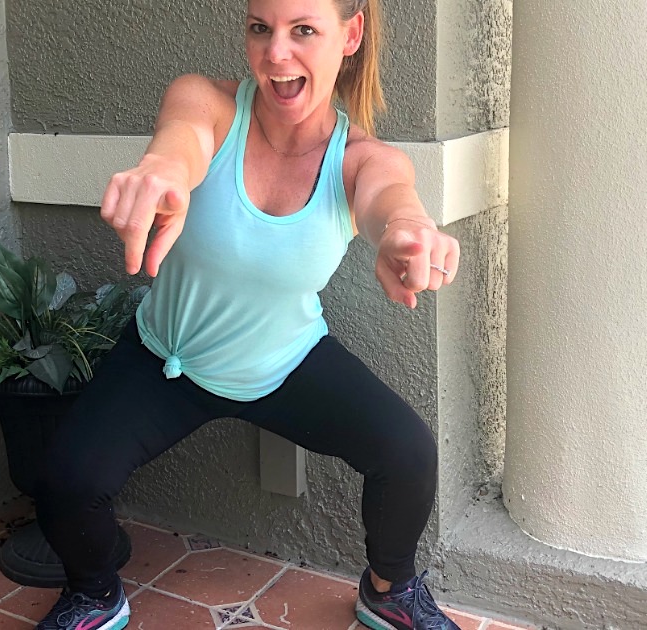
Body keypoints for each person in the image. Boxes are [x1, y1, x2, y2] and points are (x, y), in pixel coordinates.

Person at [33, 0, 462, 628]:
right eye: (261, 28)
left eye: (303, 31)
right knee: (64, 482)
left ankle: (390, 587)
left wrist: (407, 231)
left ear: (352, 34)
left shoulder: (363, 159)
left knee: (409, 454)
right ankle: (96, 591)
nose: (275, 53)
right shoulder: (207, 102)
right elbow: (182, 140)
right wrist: (162, 170)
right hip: (167, 359)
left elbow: (390, 200)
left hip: (283, 361)